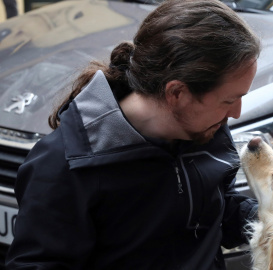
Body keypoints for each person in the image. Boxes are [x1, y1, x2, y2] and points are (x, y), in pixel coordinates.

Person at [5, 0, 260, 269]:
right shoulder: (68, 164)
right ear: (176, 93)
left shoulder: (206, 129)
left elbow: (219, 211)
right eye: (229, 100)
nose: (236, 113)